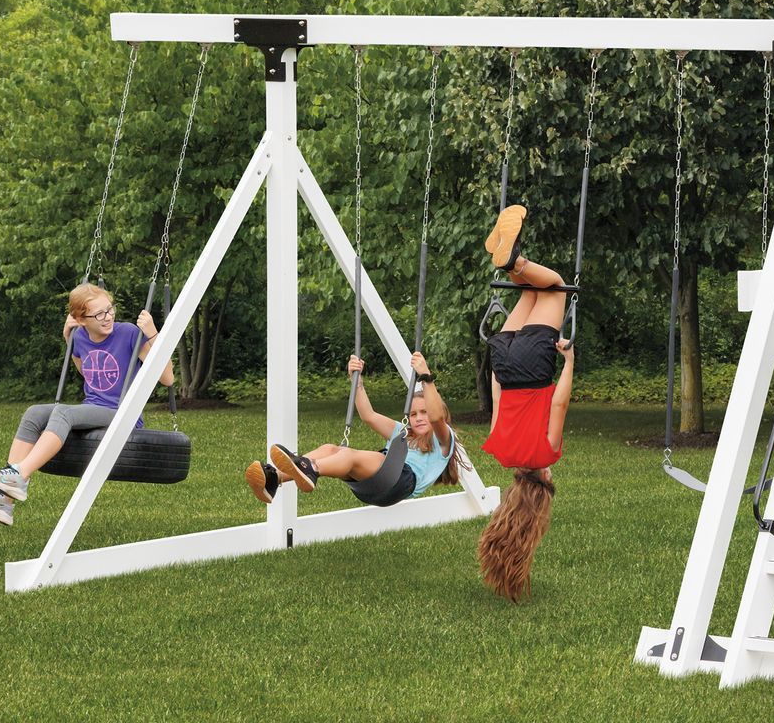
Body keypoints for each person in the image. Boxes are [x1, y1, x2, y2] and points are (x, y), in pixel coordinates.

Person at [0, 283, 174, 526]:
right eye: (99, 314)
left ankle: (19, 475)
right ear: (80, 319)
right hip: (94, 406)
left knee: (63, 412)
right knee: (34, 413)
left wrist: (153, 333)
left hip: (122, 413)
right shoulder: (80, 336)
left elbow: (167, 378)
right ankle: (3, 502)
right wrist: (68, 338)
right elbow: (89, 373)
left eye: (110, 309)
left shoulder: (129, 333)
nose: (108, 317)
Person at [473, 205, 577, 602]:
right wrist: (500, 361)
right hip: (503, 359)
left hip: (534, 365)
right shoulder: (500, 453)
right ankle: (505, 253)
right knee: (533, 289)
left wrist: (567, 362)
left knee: (556, 287)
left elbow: (559, 405)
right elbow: (497, 396)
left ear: (544, 485)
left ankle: (512, 257)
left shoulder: (546, 454)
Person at [245, 350, 465, 505]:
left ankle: (311, 468)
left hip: (399, 479)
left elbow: (436, 418)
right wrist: (356, 382)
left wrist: (426, 378)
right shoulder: (403, 432)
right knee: (331, 449)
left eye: (423, 412)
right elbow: (368, 416)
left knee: (348, 456)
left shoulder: (442, 439)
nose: (417, 418)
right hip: (373, 486)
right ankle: (275, 478)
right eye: (414, 413)